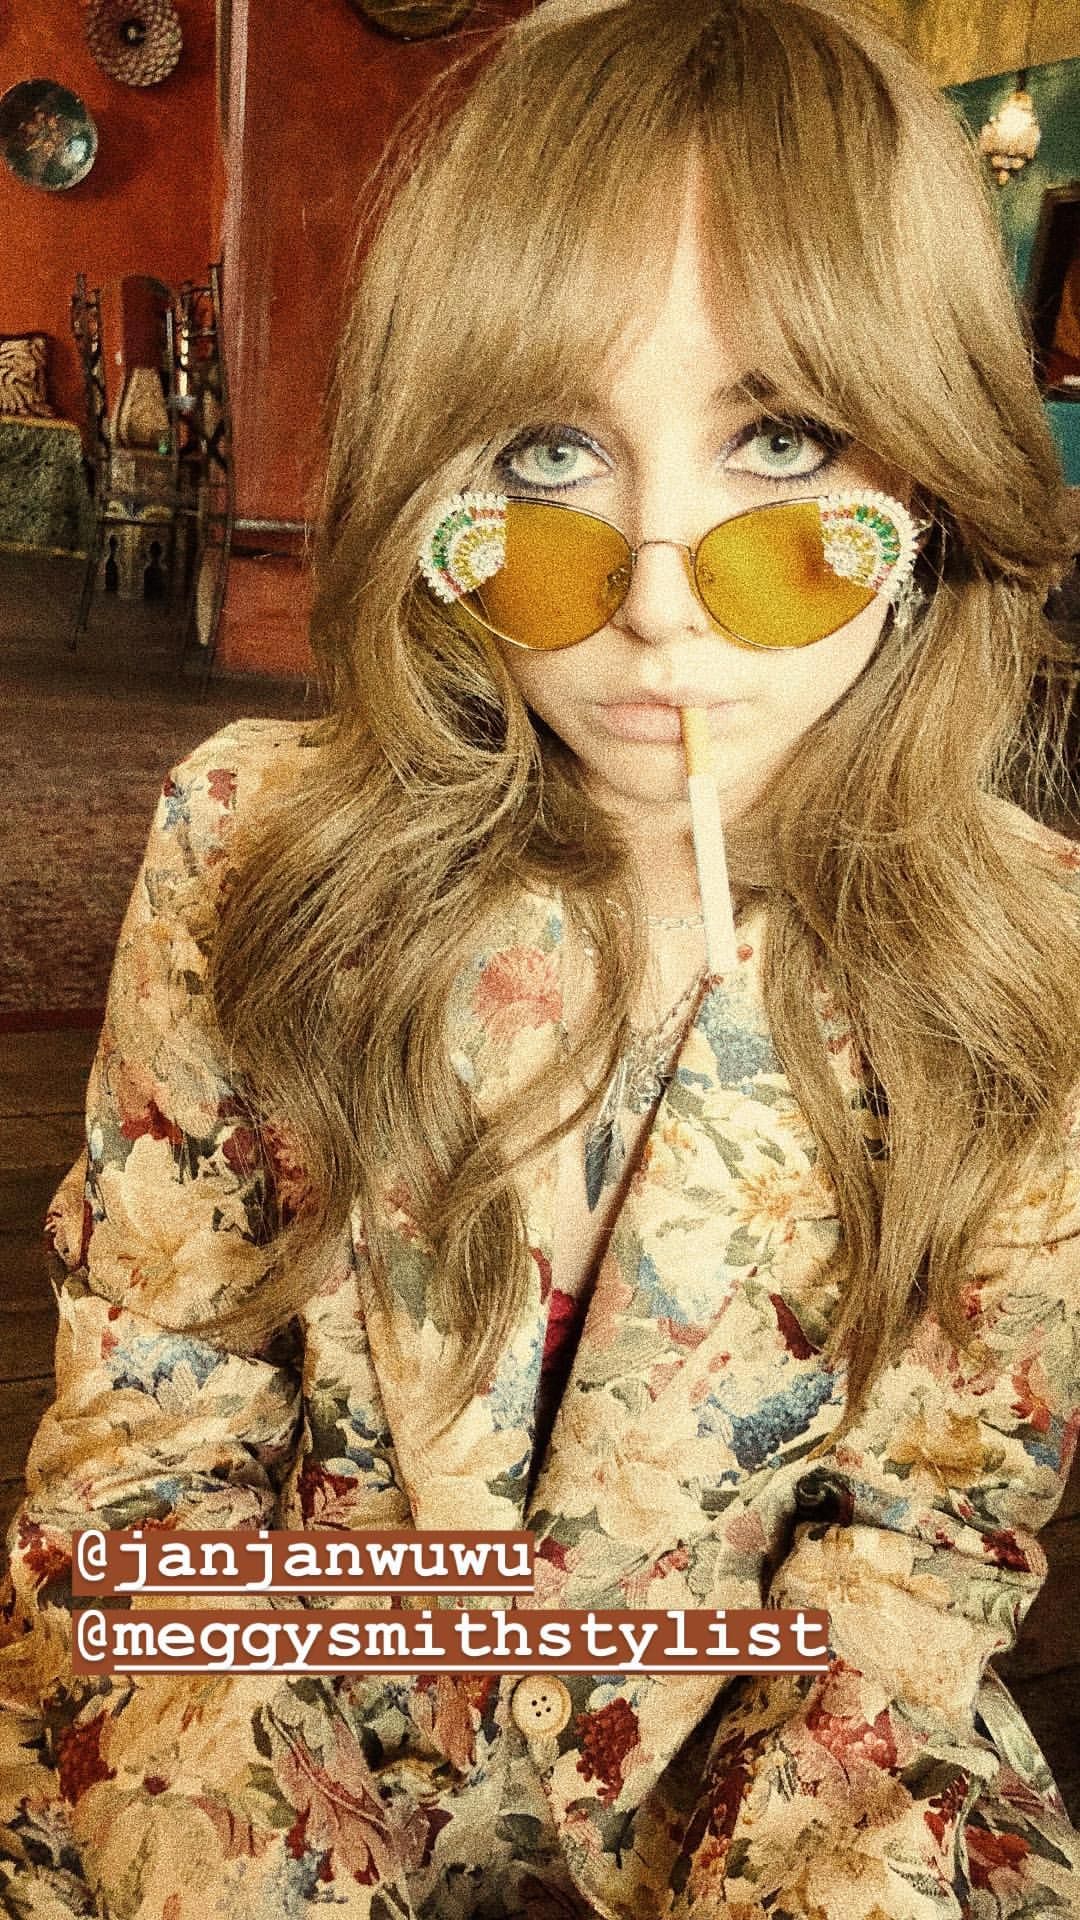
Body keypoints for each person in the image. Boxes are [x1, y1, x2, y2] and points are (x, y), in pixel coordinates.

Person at [3, 0, 1080, 1913]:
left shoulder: (1041, 968)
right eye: (552, 448)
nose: (659, 602)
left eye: (781, 439)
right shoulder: (247, 847)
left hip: (767, 1745)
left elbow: (915, 1556)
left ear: (927, 483)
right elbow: (154, 1443)